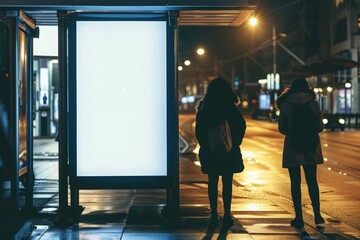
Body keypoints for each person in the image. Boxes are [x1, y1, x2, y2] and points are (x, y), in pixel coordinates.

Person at [195, 77, 246, 230]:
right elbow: (241, 125)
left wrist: (206, 145)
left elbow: (199, 130)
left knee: (212, 182)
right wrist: (234, 142)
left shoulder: (205, 107)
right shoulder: (230, 107)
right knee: (227, 183)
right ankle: (227, 215)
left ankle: (213, 214)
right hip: (229, 152)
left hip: (210, 152)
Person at [276, 77, 325, 229]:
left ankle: (299, 217)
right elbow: (320, 127)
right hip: (311, 145)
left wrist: (293, 131)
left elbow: (282, 128)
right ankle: (317, 214)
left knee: (295, 183)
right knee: (312, 181)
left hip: (293, 146)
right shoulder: (313, 102)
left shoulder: (286, 104)